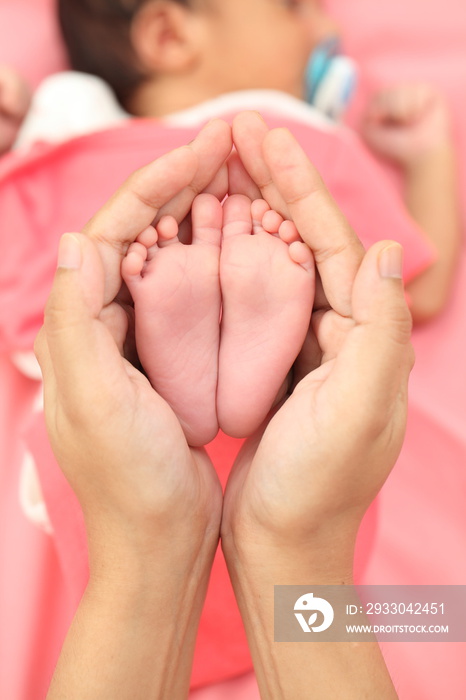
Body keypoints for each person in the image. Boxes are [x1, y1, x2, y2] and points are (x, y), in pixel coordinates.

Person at [36, 113, 412, 699]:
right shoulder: (325, 145)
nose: (318, 30)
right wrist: (431, 157)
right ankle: (238, 376)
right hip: (309, 547)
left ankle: (174, 366)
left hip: (111, 498)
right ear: (166, 32)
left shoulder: (67, 141)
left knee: (66, 385)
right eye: (295, 13)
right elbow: (427, 283)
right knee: (426, 609)